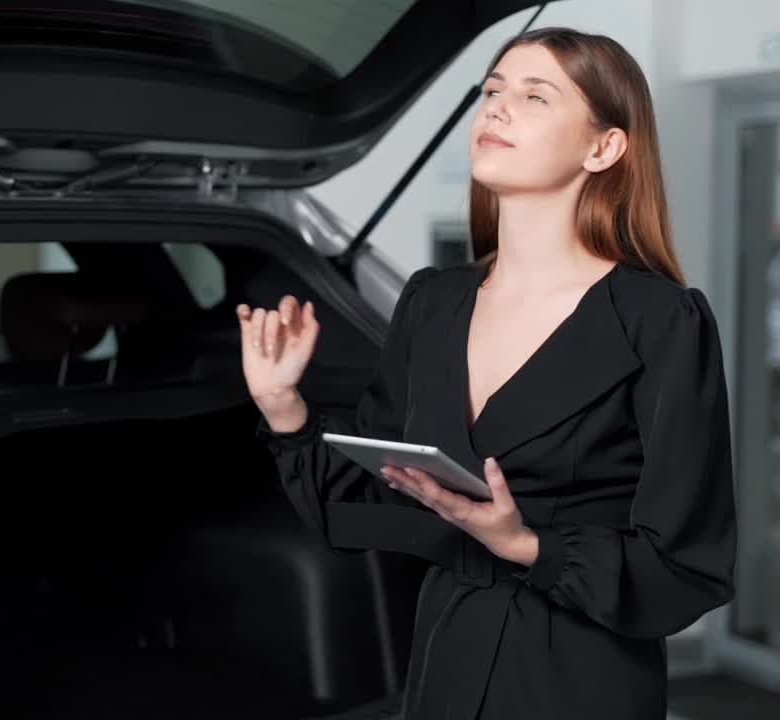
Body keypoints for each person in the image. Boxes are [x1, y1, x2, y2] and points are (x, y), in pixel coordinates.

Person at [238, 27, 737, 720]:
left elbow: (689, 564)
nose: (496, 109)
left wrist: (527, 545)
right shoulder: (432, 301)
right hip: (448, 655)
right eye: (493, 91)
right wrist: (282, 404)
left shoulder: (662, 319)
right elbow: (368, 504)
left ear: (604, 147)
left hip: (581, 675)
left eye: (535, 96)